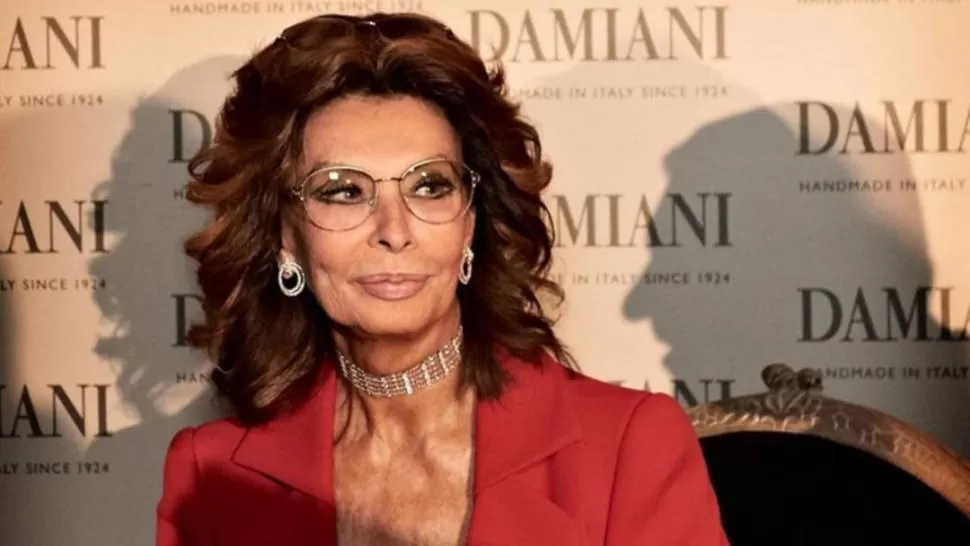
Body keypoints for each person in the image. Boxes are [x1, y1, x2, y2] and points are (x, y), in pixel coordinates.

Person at [155, 12, 729, 546]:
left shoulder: (627, 445)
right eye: (343, 191)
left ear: (470, 222)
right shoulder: (211, 474)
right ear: (286, 234)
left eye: (429, 186)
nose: (394, 231)